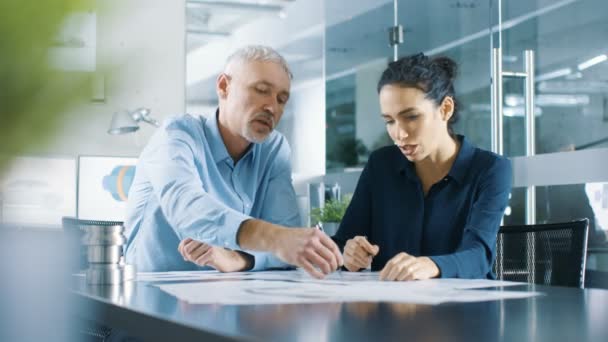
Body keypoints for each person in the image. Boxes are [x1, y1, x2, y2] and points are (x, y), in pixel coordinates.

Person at [124, 45, 342, 278]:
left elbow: (287, 244)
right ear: (223, 86)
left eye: (281, 99)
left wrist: (240, 259)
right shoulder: (175, 135)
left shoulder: (274, 149)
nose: (272, 107)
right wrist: (275, 238)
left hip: (224, 293)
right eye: (261, 90)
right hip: (150, 288)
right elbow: (186, 208)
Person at [332, 53, 512, 281]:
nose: (399, 133)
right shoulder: (381, 166)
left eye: (412, 117)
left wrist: (431, 265)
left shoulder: (490, 169)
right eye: (390, 121)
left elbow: (479, 256)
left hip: (464, 310)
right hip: (392, 308)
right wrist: (348, 253)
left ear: (445, 109)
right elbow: (343, 242)